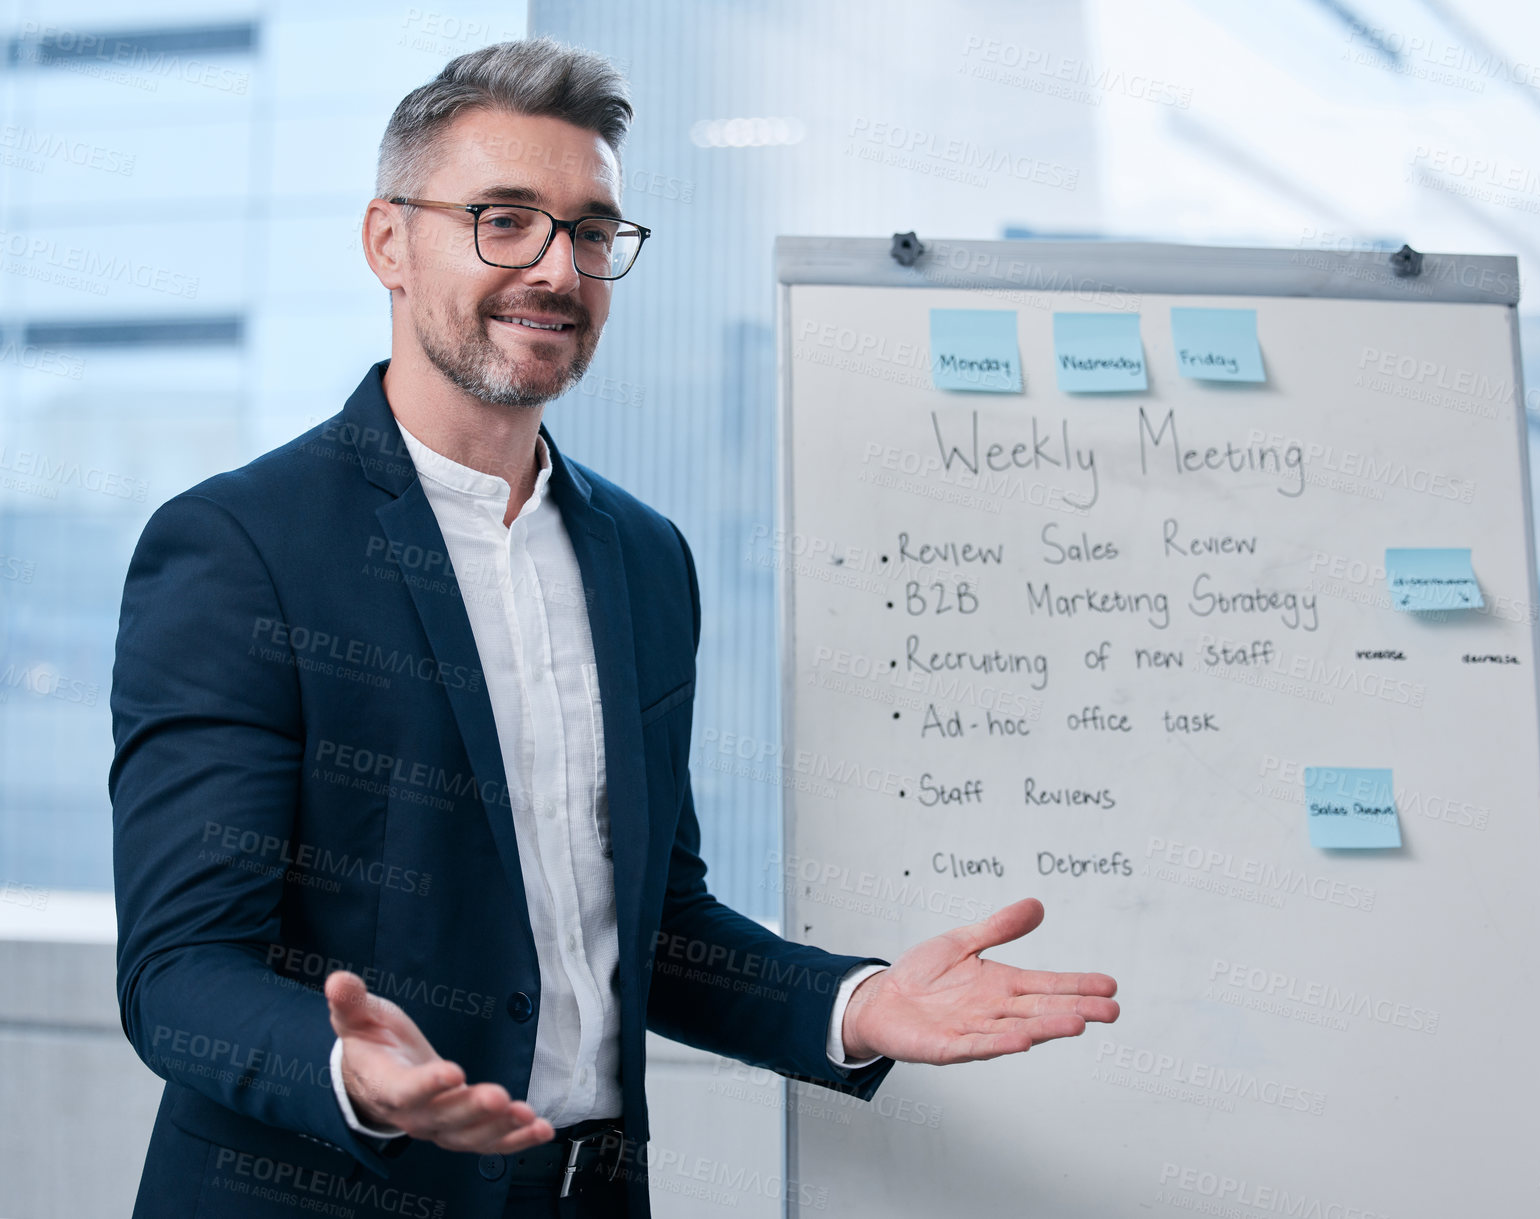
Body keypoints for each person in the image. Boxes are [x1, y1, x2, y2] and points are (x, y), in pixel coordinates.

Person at [109, 36, 1120, 1219]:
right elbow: (180, 971)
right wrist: (358, 1074)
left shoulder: (640, 557)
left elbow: (648, 927)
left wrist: (850, 1005)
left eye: (590, 231)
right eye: (503, 217)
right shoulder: (241, 548)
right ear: (389, 241)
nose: (555, 267)